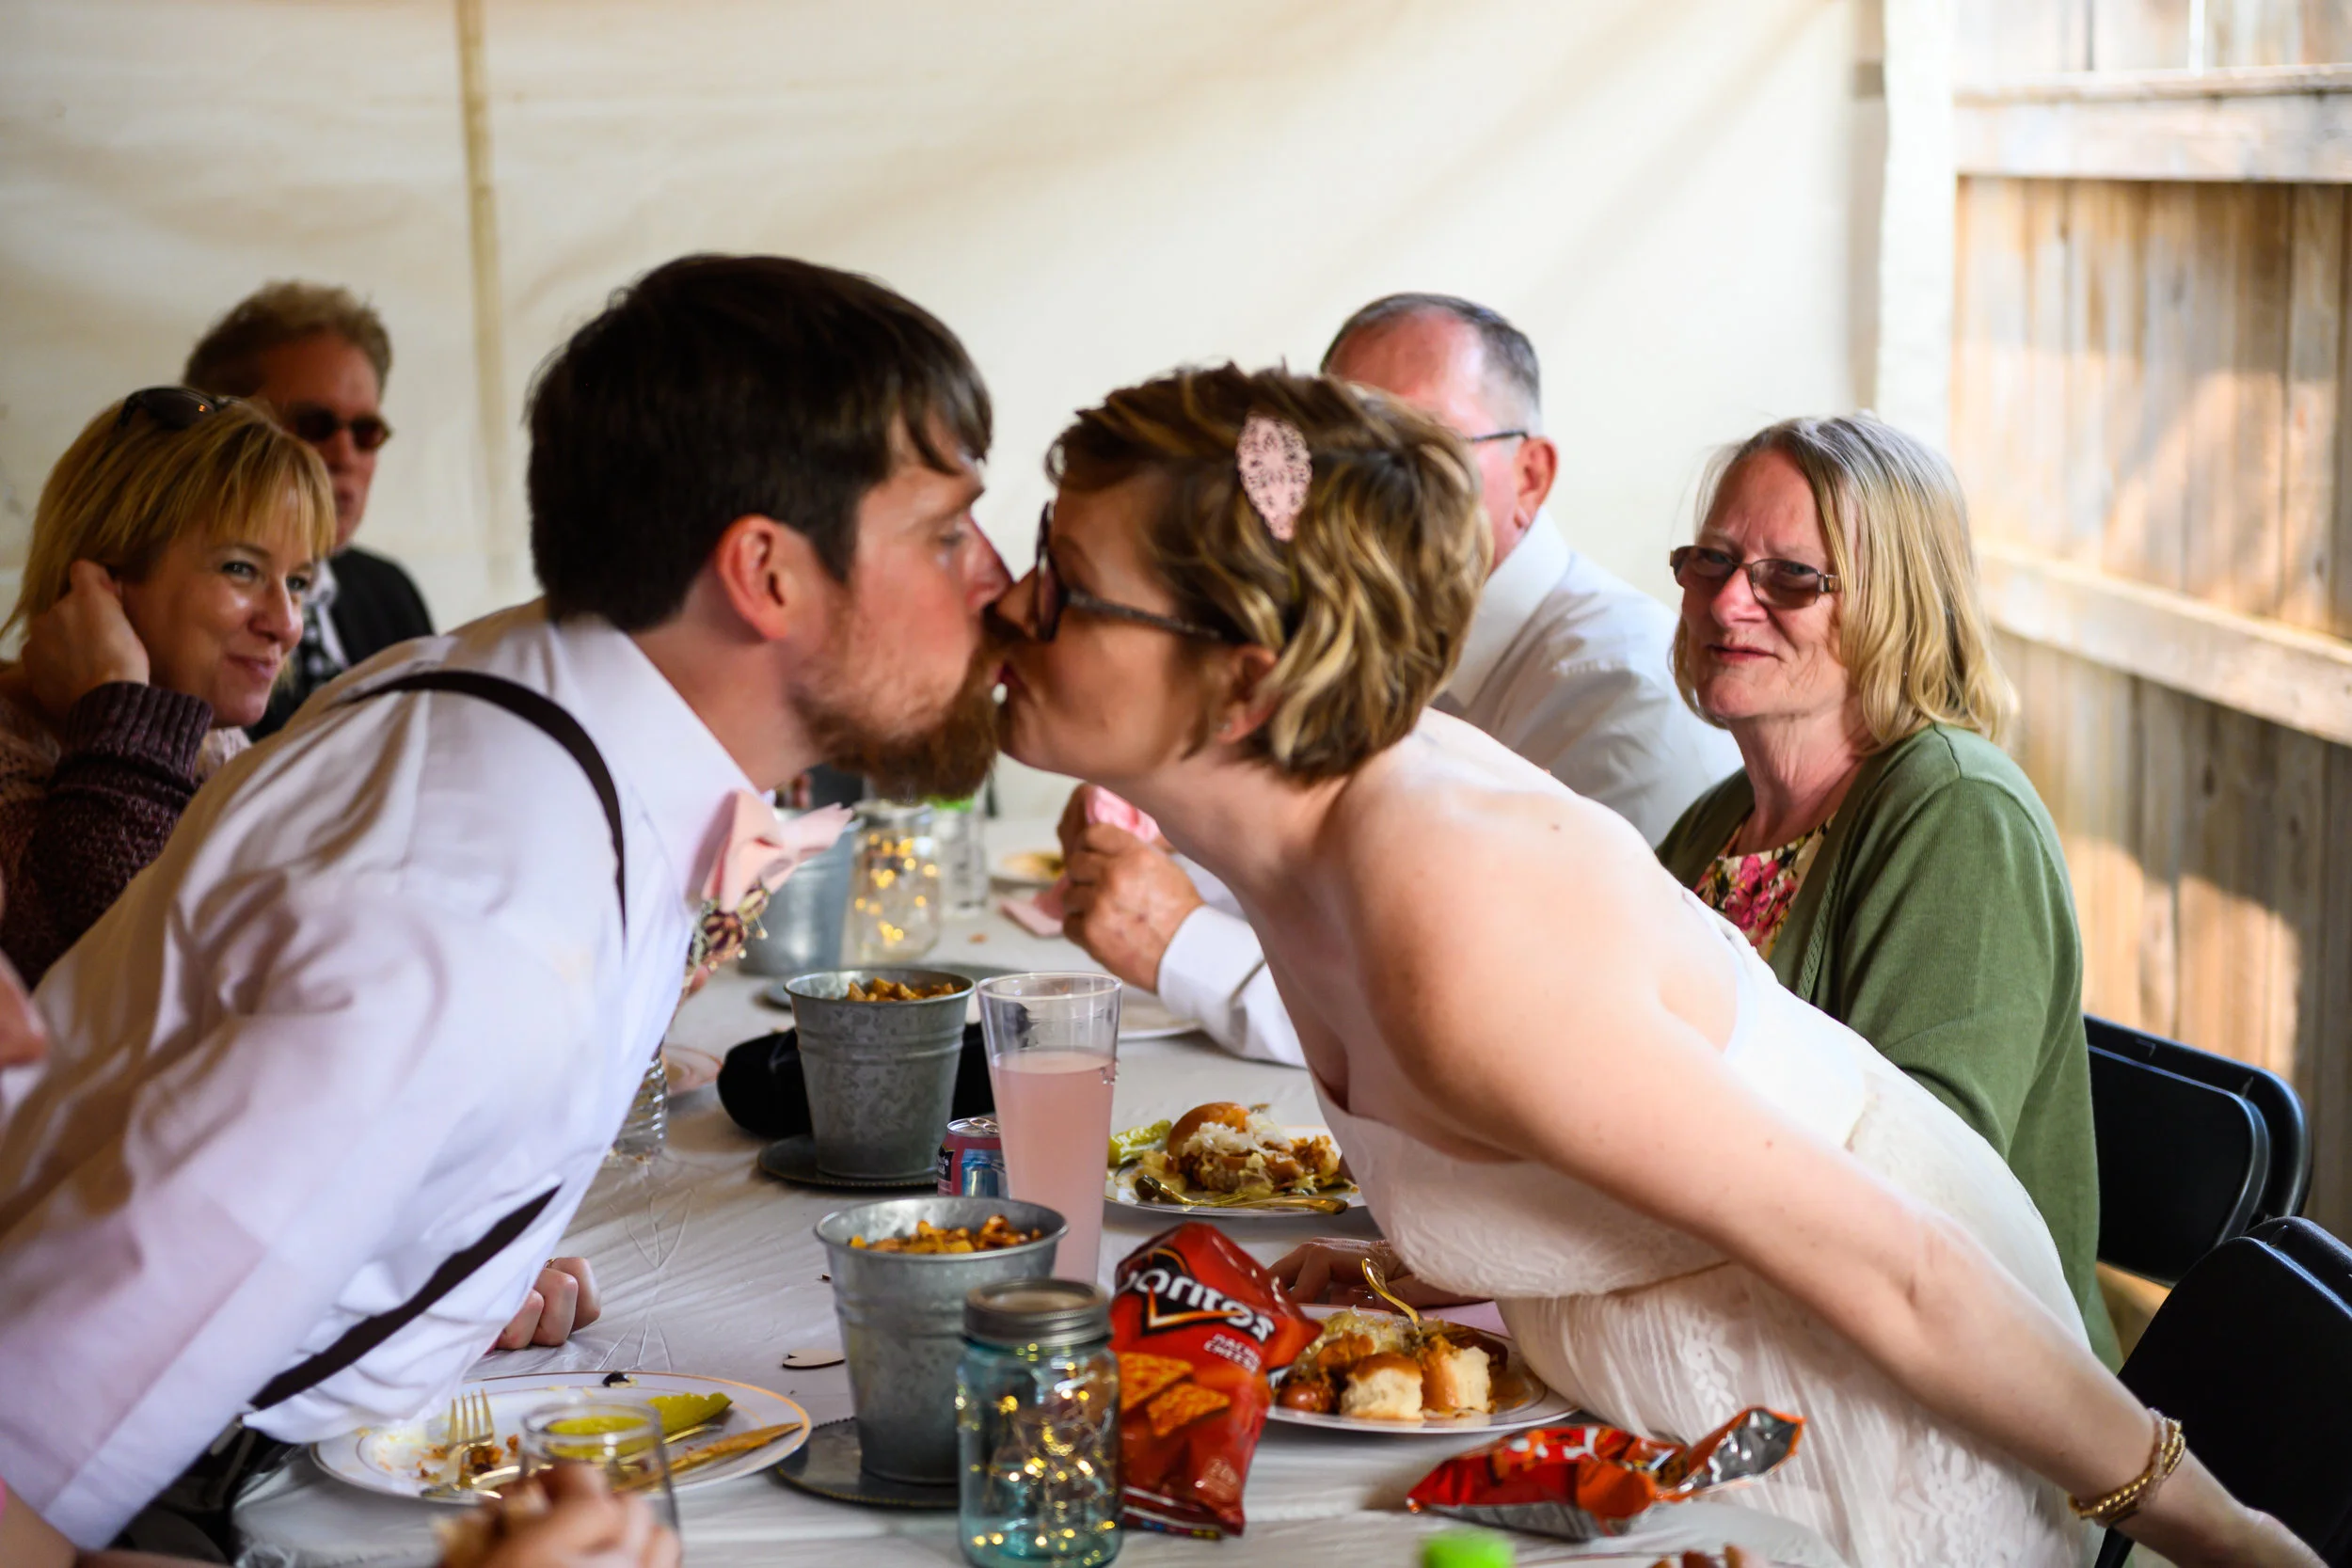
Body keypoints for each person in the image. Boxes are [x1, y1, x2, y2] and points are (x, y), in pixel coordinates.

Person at [993, 362, 2312, 1567]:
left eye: (1062, 581)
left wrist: (2230, 1539)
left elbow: (1904, 1264)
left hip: (1842, 1478)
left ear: (1244, 676)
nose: (1009, 603)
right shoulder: (1328, 836)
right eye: (1711, 560)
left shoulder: (1456, 910)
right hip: (1650, 1442)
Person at [0, 253, 1009, 1545]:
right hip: (201, 1498)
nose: (999, 580)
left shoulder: (545, 721)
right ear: (765, 571)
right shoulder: (469, 906)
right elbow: (30, 1449)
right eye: (945, 532)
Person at [1058, 293, 1734, 1066]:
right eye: (1328, 451)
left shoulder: (1625, 700)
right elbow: (1329, 888)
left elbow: (1510, 1027)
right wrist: (1174, 826)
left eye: (1413, 446)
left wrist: (1183, 945)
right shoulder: (1359, 633)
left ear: (1530, 475)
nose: (1350, 491)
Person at [1649, 415, 2117, 1366]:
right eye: (1712, 560)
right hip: (1729, 1334)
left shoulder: (1959, 811)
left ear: (1895, 604)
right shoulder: (1717, 821)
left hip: (1938, 1391)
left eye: (1791, 576)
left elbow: (1918, 1203)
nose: (1729, 600)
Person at [0, 390, 329, 984]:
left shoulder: (218, 746)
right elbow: (111, 974)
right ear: (104, 573)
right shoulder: (12, 756)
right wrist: (117, 713)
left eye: (298, 583)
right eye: (241, 569)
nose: (286, 625)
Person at [183, 281, 436, 738]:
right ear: (219, 437)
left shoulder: (390, 594)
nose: (345, 455)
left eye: (366, 431)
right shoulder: (179, 604)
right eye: (314, 425)